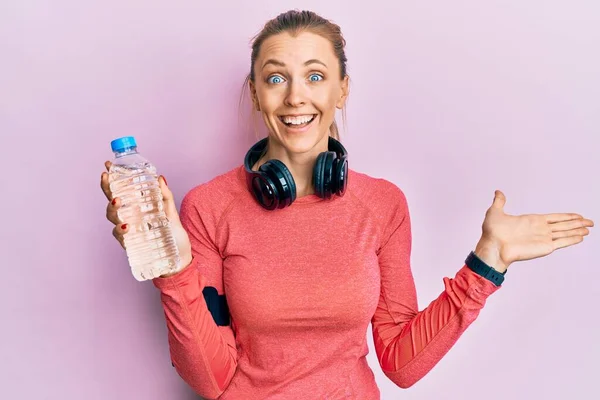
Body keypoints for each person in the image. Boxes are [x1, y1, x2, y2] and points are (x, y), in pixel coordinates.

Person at [99, 9, 594, 400]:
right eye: (276, 78)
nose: (296, 97)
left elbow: (401, 362)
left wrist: (488, 262)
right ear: (255, 93)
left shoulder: (383, 205)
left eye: (315, 76)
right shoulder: (210, 207)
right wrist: (175, 268)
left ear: (342, 90)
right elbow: (210, 379)